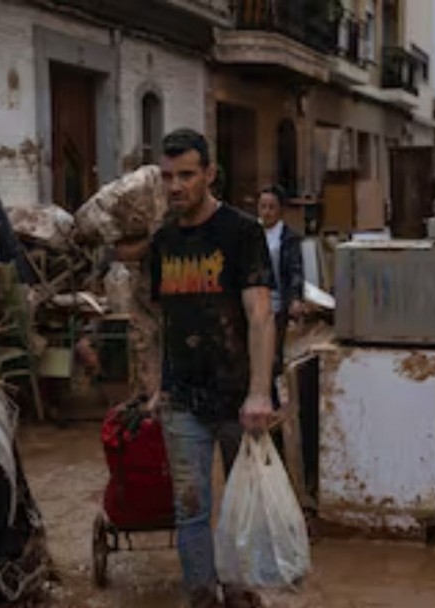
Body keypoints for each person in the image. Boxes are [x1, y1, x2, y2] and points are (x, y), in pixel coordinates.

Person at [149, 129, 276, 608]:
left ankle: (242, 593)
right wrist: (156, 385)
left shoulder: (241, 233)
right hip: (183, 397)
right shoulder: (163, 240)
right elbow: (163, 319)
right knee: (191, 509)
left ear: (209, 174)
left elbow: (260, 314)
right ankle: (201, 596)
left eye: (186, 175)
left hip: (239, 394)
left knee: (245, 506)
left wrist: (260, 392)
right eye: (167, 177)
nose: (175, 186)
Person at [256, 185, 304, 406]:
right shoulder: (251, 233)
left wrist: (295, 298)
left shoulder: (288, 238)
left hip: (277, 303)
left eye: (271, 207)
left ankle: (273, 402)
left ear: (280, 210)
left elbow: (295, 270)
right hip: (255, 302)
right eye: (263, 207)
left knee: (273, 355)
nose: (266, 212)